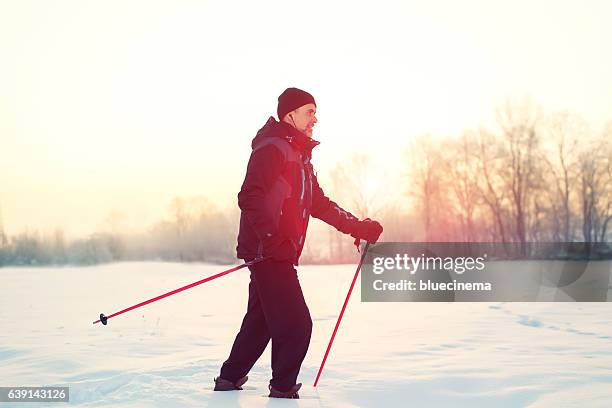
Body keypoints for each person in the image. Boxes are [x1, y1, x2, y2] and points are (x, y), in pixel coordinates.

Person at [214, 87, 383, 399]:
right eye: (309, 112)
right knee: (296, 324)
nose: (315, 119)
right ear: (289, 115)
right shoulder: (272, 148)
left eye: (315, 112)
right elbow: (249, 196)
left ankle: (229, 378)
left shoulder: (299, 155)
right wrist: (271, 238)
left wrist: (357, 226)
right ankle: (282, 390)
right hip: (269, 253)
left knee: (261, 321)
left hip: (279, 251)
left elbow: (318, 203)